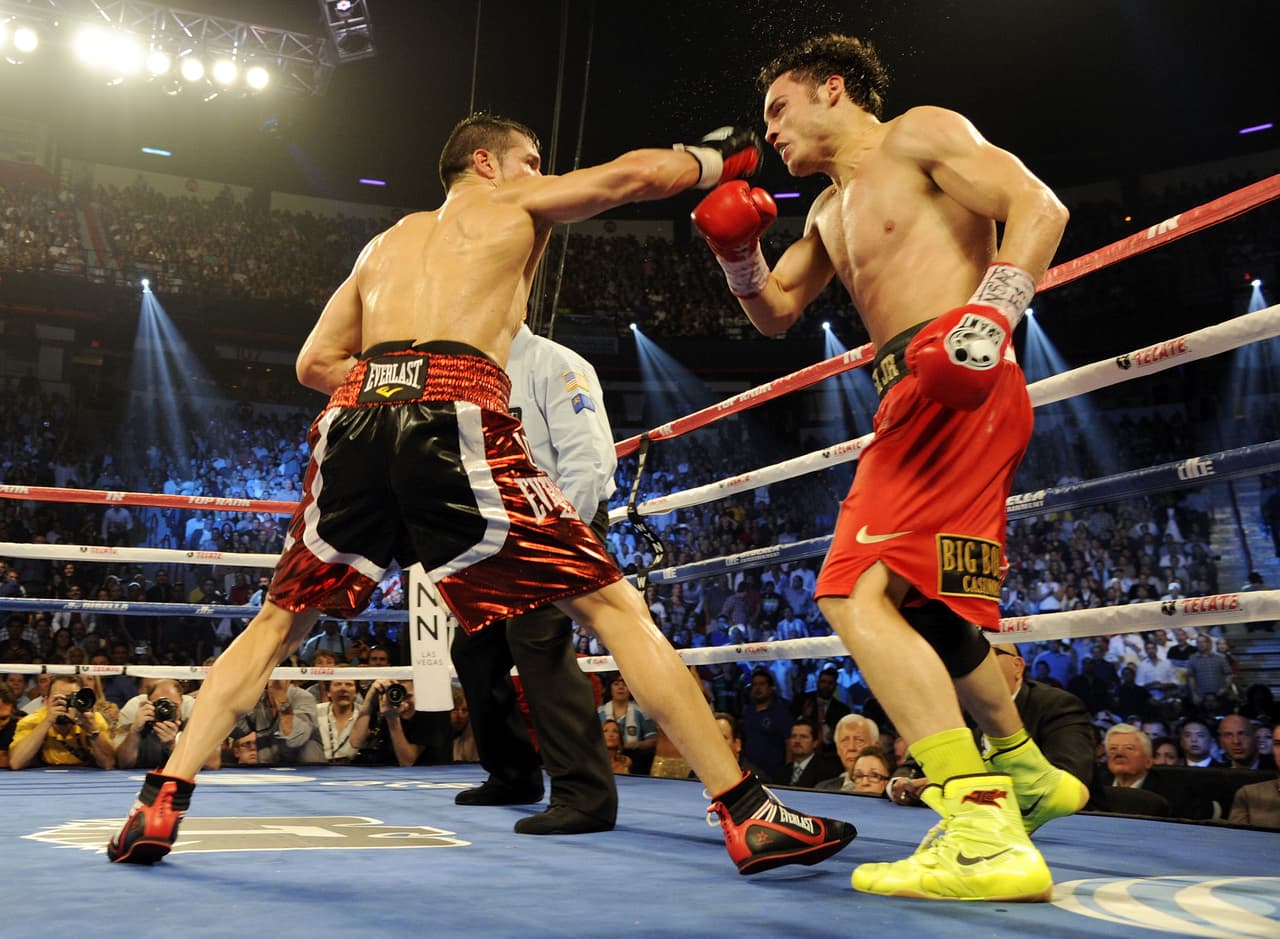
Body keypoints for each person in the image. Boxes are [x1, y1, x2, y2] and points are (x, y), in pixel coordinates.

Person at [107, 114, 854, 875]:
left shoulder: (385, 242)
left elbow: (313, 362)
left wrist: (392, 383)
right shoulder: (509, 204)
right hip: (456, 414)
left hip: (356, 417)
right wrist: (714, 159)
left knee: (277, 623)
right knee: (611, 607)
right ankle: (748, 813)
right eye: (530, 160)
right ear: (485, 163)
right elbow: (632, 177)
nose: (540, 173)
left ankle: (159, 800)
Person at [694, 34, 1078, 900]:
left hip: (958, 368)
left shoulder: (919, 134)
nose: (772, 134)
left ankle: (980, 827)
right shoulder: (829, 209)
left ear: (833, 89)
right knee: (927, 600)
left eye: (778, 110)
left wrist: (991, 317)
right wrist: (736, 253)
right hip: (912, 389)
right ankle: (1023, 771)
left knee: (849, 588)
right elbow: (776, 311)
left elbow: (1040, 207)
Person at [450, 321, 619, 835]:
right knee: (474, 648)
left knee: (537, 637)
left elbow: (588, 462)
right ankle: (514, 774)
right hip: (500, 530)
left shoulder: (556, 363)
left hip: (562, 517)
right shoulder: (467, 375)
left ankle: (585, 794)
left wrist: (563, 537)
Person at [8, 675, 116, 769]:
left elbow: (108, 764)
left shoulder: (92, 720)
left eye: (71, 699)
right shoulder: (32, 721)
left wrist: (92, 730)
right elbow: (16, 763)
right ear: (46, 702)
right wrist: (47, 721)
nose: (65, 704)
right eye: (59, 699)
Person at [114, 679, 219, 771]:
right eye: (159, 703)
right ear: (148, 703)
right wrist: (134, 732)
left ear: (182, 703)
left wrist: (173, 745)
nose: (166, 709)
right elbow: (124, 763)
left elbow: (213, 763)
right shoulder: (135, 712)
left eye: (173, 705)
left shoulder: (193, 713)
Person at [775, 717, 842, 787]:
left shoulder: (827, 772)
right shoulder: (781, 772)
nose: (797, 741)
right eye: (793, 736)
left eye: (803, 737)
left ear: (815, 743)